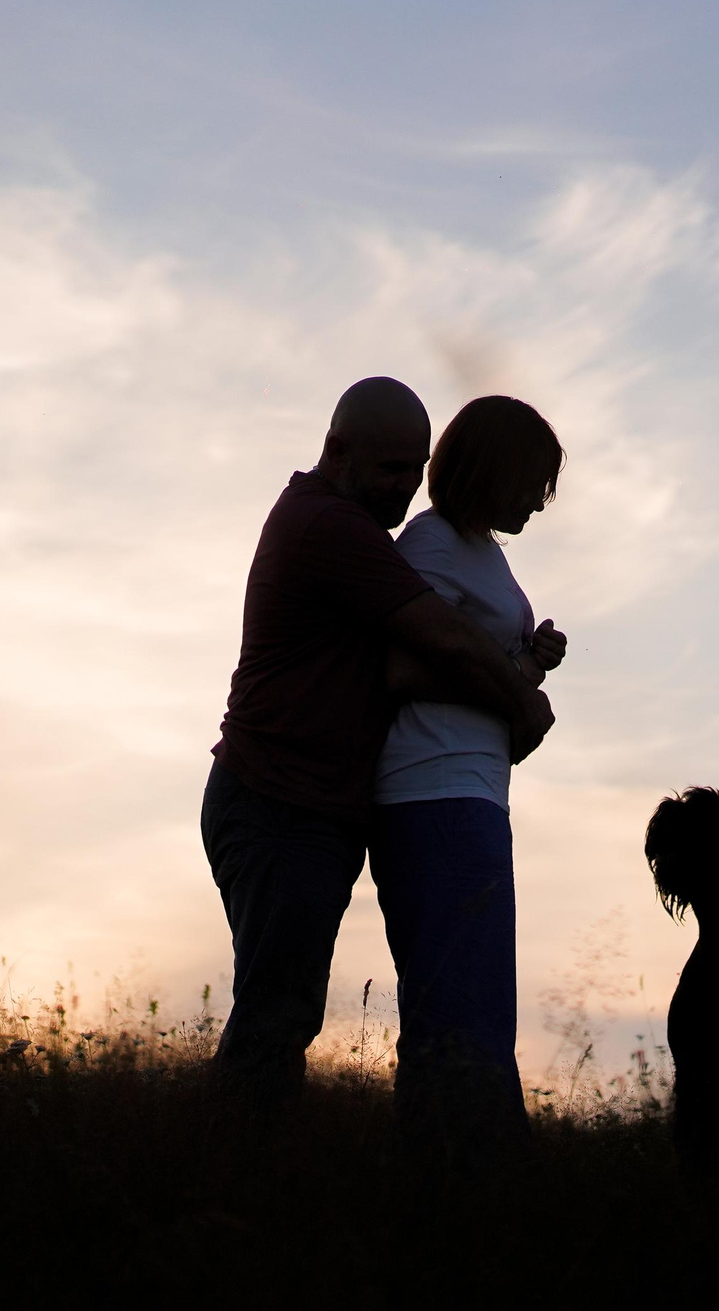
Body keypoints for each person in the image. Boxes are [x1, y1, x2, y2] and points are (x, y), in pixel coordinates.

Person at [201, 377, 554, 1102]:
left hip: (312, 807)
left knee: (283, 1011)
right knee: (275, 1016)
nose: (405, 489)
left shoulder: (352, 527)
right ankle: (229, 1185)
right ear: (337, 449)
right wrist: (522, 697)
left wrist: (518, 675)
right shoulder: (330, 526)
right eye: (391, 469)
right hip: (277, 802)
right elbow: (437, 638)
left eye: (415, 469)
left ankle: (244, 1176)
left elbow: (445, 643)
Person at [370, 396, 568, 1155]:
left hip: (473, 793)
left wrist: (526, 664)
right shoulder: (431, 542)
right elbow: (401, 664)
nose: (538, 502)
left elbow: (474, 659)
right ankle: (457, 1186)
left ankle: (471, 1183)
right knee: (458, 1013)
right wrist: (516, 691)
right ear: (493, 469)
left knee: (479, 1009)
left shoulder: (481, 548)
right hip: (433, 791)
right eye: (533, 483)